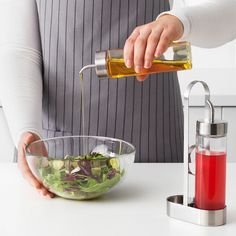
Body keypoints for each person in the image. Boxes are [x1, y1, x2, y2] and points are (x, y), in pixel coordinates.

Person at [0, 0, 236, 198]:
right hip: (53, 155)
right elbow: (20, 49)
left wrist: (181, 21)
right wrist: (26, 127)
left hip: (152, 150)